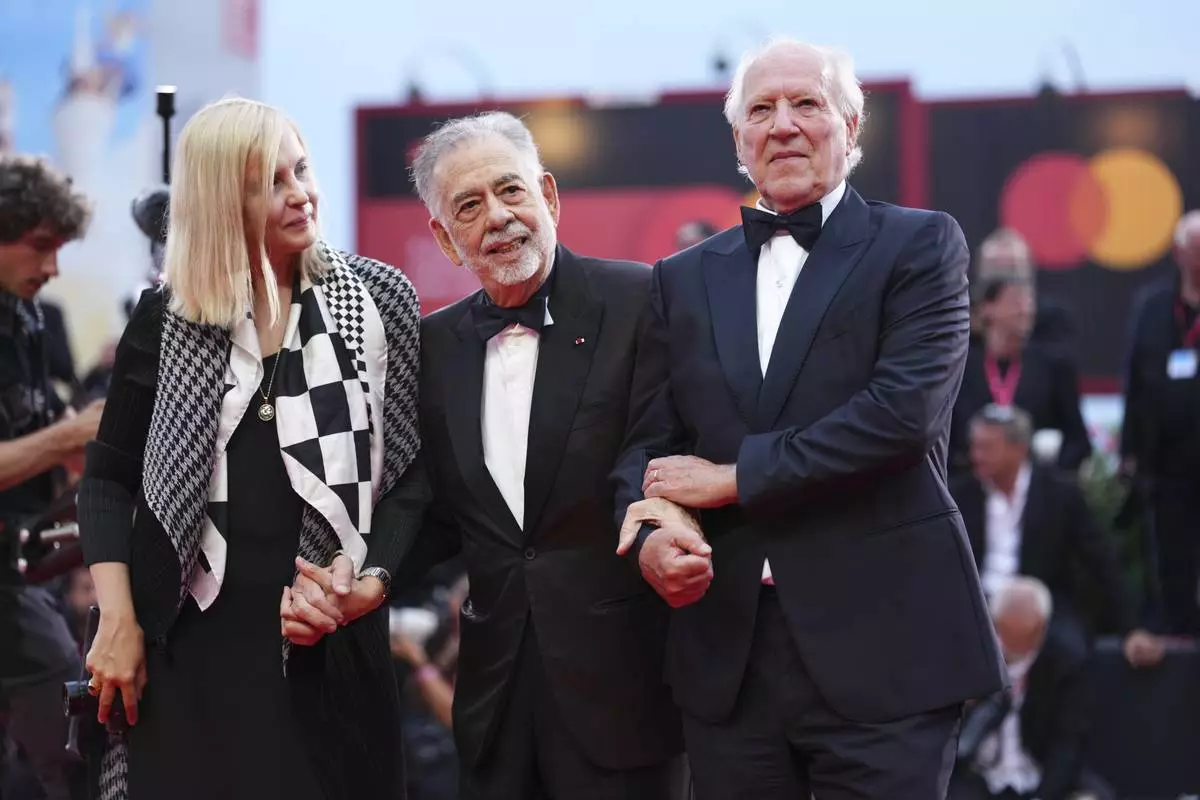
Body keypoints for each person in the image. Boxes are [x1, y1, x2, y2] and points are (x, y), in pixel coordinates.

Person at [612, 37, 1005, 799]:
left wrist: (734, 479)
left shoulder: (921, 244)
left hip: (888, 647)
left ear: (850, 127)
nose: (783, 124)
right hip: (728, 658)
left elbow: (901, 416)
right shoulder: (681, 279)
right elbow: (648, 445)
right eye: (761, 109)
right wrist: (651, 534)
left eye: (806, 104)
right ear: (739, 141)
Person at [289, 111, 685, 799]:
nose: (497, 217)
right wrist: (369, 574)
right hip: (494, 704)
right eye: (469, 206)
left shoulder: (640, 299)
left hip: (627, 696)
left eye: (510, 190)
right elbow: (431, 503)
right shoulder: (433, 345)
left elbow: (665, 452)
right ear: (445, 239)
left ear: (549, 196)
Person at [75, 97, 423, 800]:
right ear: (220, 203)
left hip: (329, 648)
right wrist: (117, 619)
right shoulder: (167, 317)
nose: (301, 194)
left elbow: (412, 479)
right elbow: (107, 481)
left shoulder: (382, 301)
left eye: (302, 170)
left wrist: (370, 583)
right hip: (183, 650)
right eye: (271, 183)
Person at [0, 152, 98, 800]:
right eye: (40, 246)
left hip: (22, 567)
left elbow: (33, 424)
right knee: (73, 746)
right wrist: (69, 435)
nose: (53, 266)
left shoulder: (28, 314)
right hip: (13, 593)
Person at [949, 577, 1115, 800]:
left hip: (1039, 772)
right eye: (1005, 635)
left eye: (1024, 640)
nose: (1012, 649)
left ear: (1043, 628)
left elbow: (1068, 742)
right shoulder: (971, 652)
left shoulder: (1065, 662)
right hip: (975, 772)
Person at [1120, 210, 1200, 635]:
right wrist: (1129, 451)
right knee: (1170, 563)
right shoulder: (1152, 308)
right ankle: (1175, 641)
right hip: (1165, 463)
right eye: (1195, 249)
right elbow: (1134, 379)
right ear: (1178, 253)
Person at [950, 274, 1091, 475]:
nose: (1025, 310)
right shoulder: (961, 368)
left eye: (1029, 302)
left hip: (1036, 485)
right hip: (971, 484)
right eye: (1015, 301)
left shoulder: (1053, 367)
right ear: (987, 308)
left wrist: (1047, 479)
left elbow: (1077, 440)